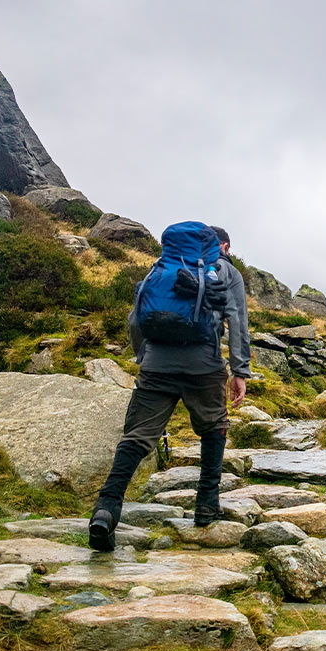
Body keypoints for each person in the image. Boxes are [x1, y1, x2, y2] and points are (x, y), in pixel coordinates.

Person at [88, 223, 251, 552]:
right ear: (218, 245)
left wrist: (143, 356)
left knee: (136, 437)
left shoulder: (159, 268)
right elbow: (237, 320)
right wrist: (239, 370)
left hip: (157, 364)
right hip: (204, 367)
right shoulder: (225, 273)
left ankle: (106, 510)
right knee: (214, 428)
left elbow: (136, 318)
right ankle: (206, 506)